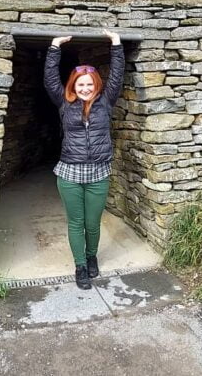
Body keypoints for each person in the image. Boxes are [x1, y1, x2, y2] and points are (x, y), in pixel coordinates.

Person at [43, 28, 125, 290]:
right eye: (81, 84)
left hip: (98, 172)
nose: (86, 88)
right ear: (73, 86)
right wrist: (54, 47)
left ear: (96, 85)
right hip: (70, 173)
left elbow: (117, 76)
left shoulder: (106, 100)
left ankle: (92, 258)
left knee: (92, 223)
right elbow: (50, 81)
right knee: (76, 223)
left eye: (90, 84)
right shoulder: (64, 102)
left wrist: (116, 43)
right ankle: (80, 266)